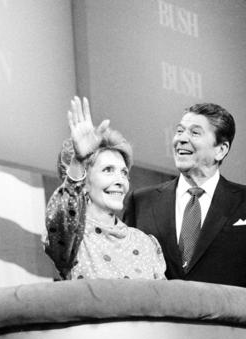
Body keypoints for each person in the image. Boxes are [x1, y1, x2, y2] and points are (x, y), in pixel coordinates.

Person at [124, 102, 246, 296]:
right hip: (160, 322)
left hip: (227, 323)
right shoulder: (142, 201)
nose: (181, 139)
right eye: (179, 131)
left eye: (195, 133)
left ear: (220, 149)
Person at [44, 96, 166, 281]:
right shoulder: (73, 238)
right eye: (108, 170)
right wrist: (78, 161)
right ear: (84, 183)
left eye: (124, 173)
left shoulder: (145, 243)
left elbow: (164, 301)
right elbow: (60, 217)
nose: (120, 181)